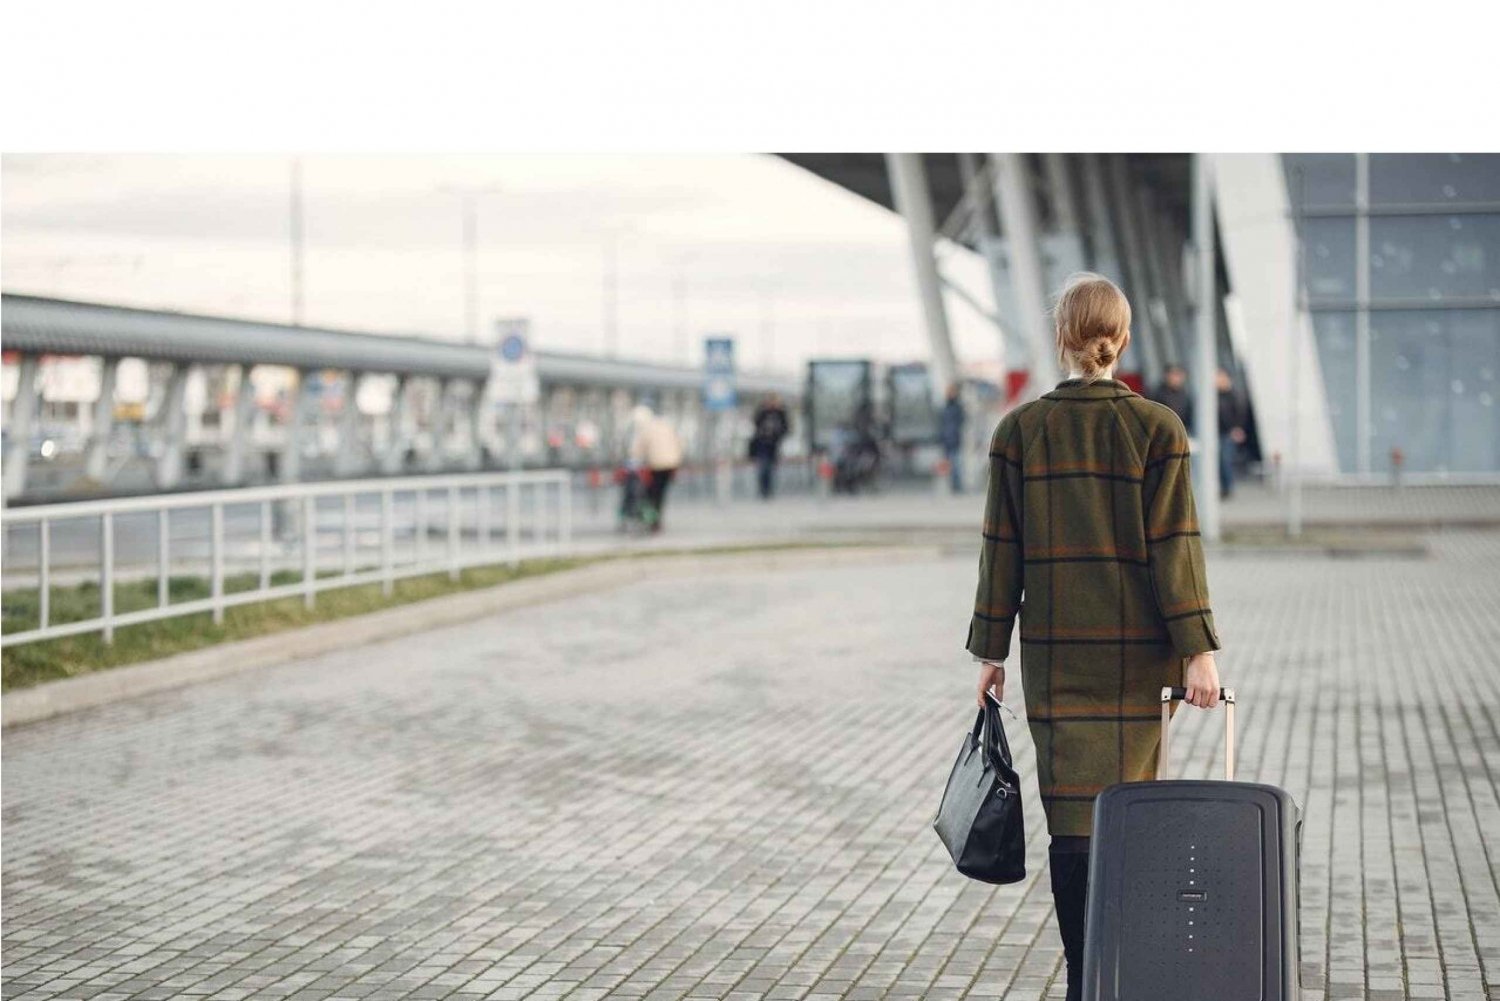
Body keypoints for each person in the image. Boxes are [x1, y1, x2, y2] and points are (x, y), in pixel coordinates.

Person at [966, 273, 1223, 1001]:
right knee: (1126, 809)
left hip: (1054, 658)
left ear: (1062, 338)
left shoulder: (1018, 430)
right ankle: (1119, 973)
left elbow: (1000, 552)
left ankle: (1087, 978)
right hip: (1141, 661)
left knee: (1072, 819)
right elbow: (1176, 547)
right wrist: (1199, 648)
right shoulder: (1158, 428)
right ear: (1124, 337)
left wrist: (991, 652)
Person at [627, 404, 683, 532]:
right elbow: (678, 442)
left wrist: (633, 459)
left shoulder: (646, 429)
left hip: (656, 465)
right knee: (661, 493)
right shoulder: (664, 425)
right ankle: (656, 520)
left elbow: (636, 449)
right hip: (671, 464)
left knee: (652, 493)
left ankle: (653, 520)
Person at [749, 393, 790, 500]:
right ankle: (763, 490)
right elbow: (755, 422)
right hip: (762, 444)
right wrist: (763, 409)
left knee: (771, 469)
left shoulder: (780, 413)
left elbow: (786, 427)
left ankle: (769, 490)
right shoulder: (762, 412)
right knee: (763, 468)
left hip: (774, 445)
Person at [1216, 368, 1249, 499]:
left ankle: (1227, 487)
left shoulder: (1235, 395)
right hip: (1216, 433)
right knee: (1218, 461)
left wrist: (1238, 428)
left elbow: (1241, 413)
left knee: (1225, 460)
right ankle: (1222, 487)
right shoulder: (1213, 395)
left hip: (1229, 432)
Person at [1147, 363, 1193, 432]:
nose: (1177, 379)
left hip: (1180, 432)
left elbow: (1188, 418)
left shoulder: (1185, 395)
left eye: (1179, 375)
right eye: (1174, 375)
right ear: (1167, 376)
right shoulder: (1157, 394)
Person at [938, 383, 966, 493]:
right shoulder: (945, 407)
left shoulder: (957, 407)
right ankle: (951, 484)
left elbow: (961, 422)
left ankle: (956, 485)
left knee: (956, 462)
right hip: (946, 439)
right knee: (949, 463)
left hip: (955, 439)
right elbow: (941, 423)